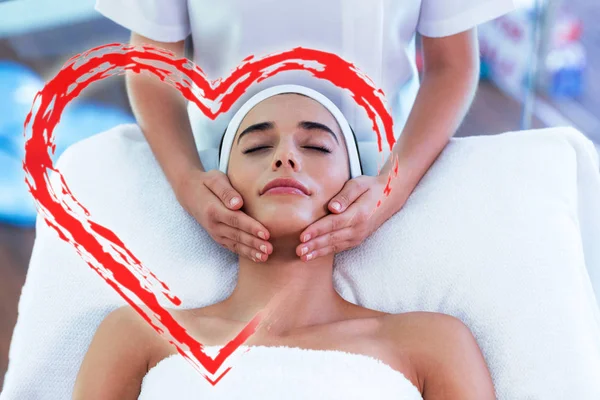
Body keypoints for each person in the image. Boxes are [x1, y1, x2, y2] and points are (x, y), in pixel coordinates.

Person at [72, 86, 495, 399]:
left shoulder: (431, 343)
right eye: (256, 147)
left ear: (353, 191)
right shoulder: (139, 334)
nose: (285, 157)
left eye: (316, 146)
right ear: (219, 188)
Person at [94, 0, 516, 265]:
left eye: (313, 144)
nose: (288, 161)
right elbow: (152, 67)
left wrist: (391, 187)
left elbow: (452, 65)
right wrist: (186, 180)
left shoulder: (419, 331)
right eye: (266, 145)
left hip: (376, 171)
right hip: (220, 170)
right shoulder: (148, 326)